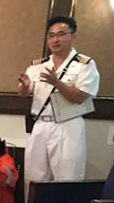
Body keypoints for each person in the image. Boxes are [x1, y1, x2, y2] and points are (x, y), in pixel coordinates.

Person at [18, 15, 100, 190]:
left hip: (67, 125)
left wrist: (57, 83)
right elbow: (22, 94)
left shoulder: (85, 65)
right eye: (51, 35)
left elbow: (80, 97)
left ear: (73, 36)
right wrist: (24, 87)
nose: (55, 40)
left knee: (67, 178)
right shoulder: (38, 65)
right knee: (34, 179)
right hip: (39, 125)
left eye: (61, 34)